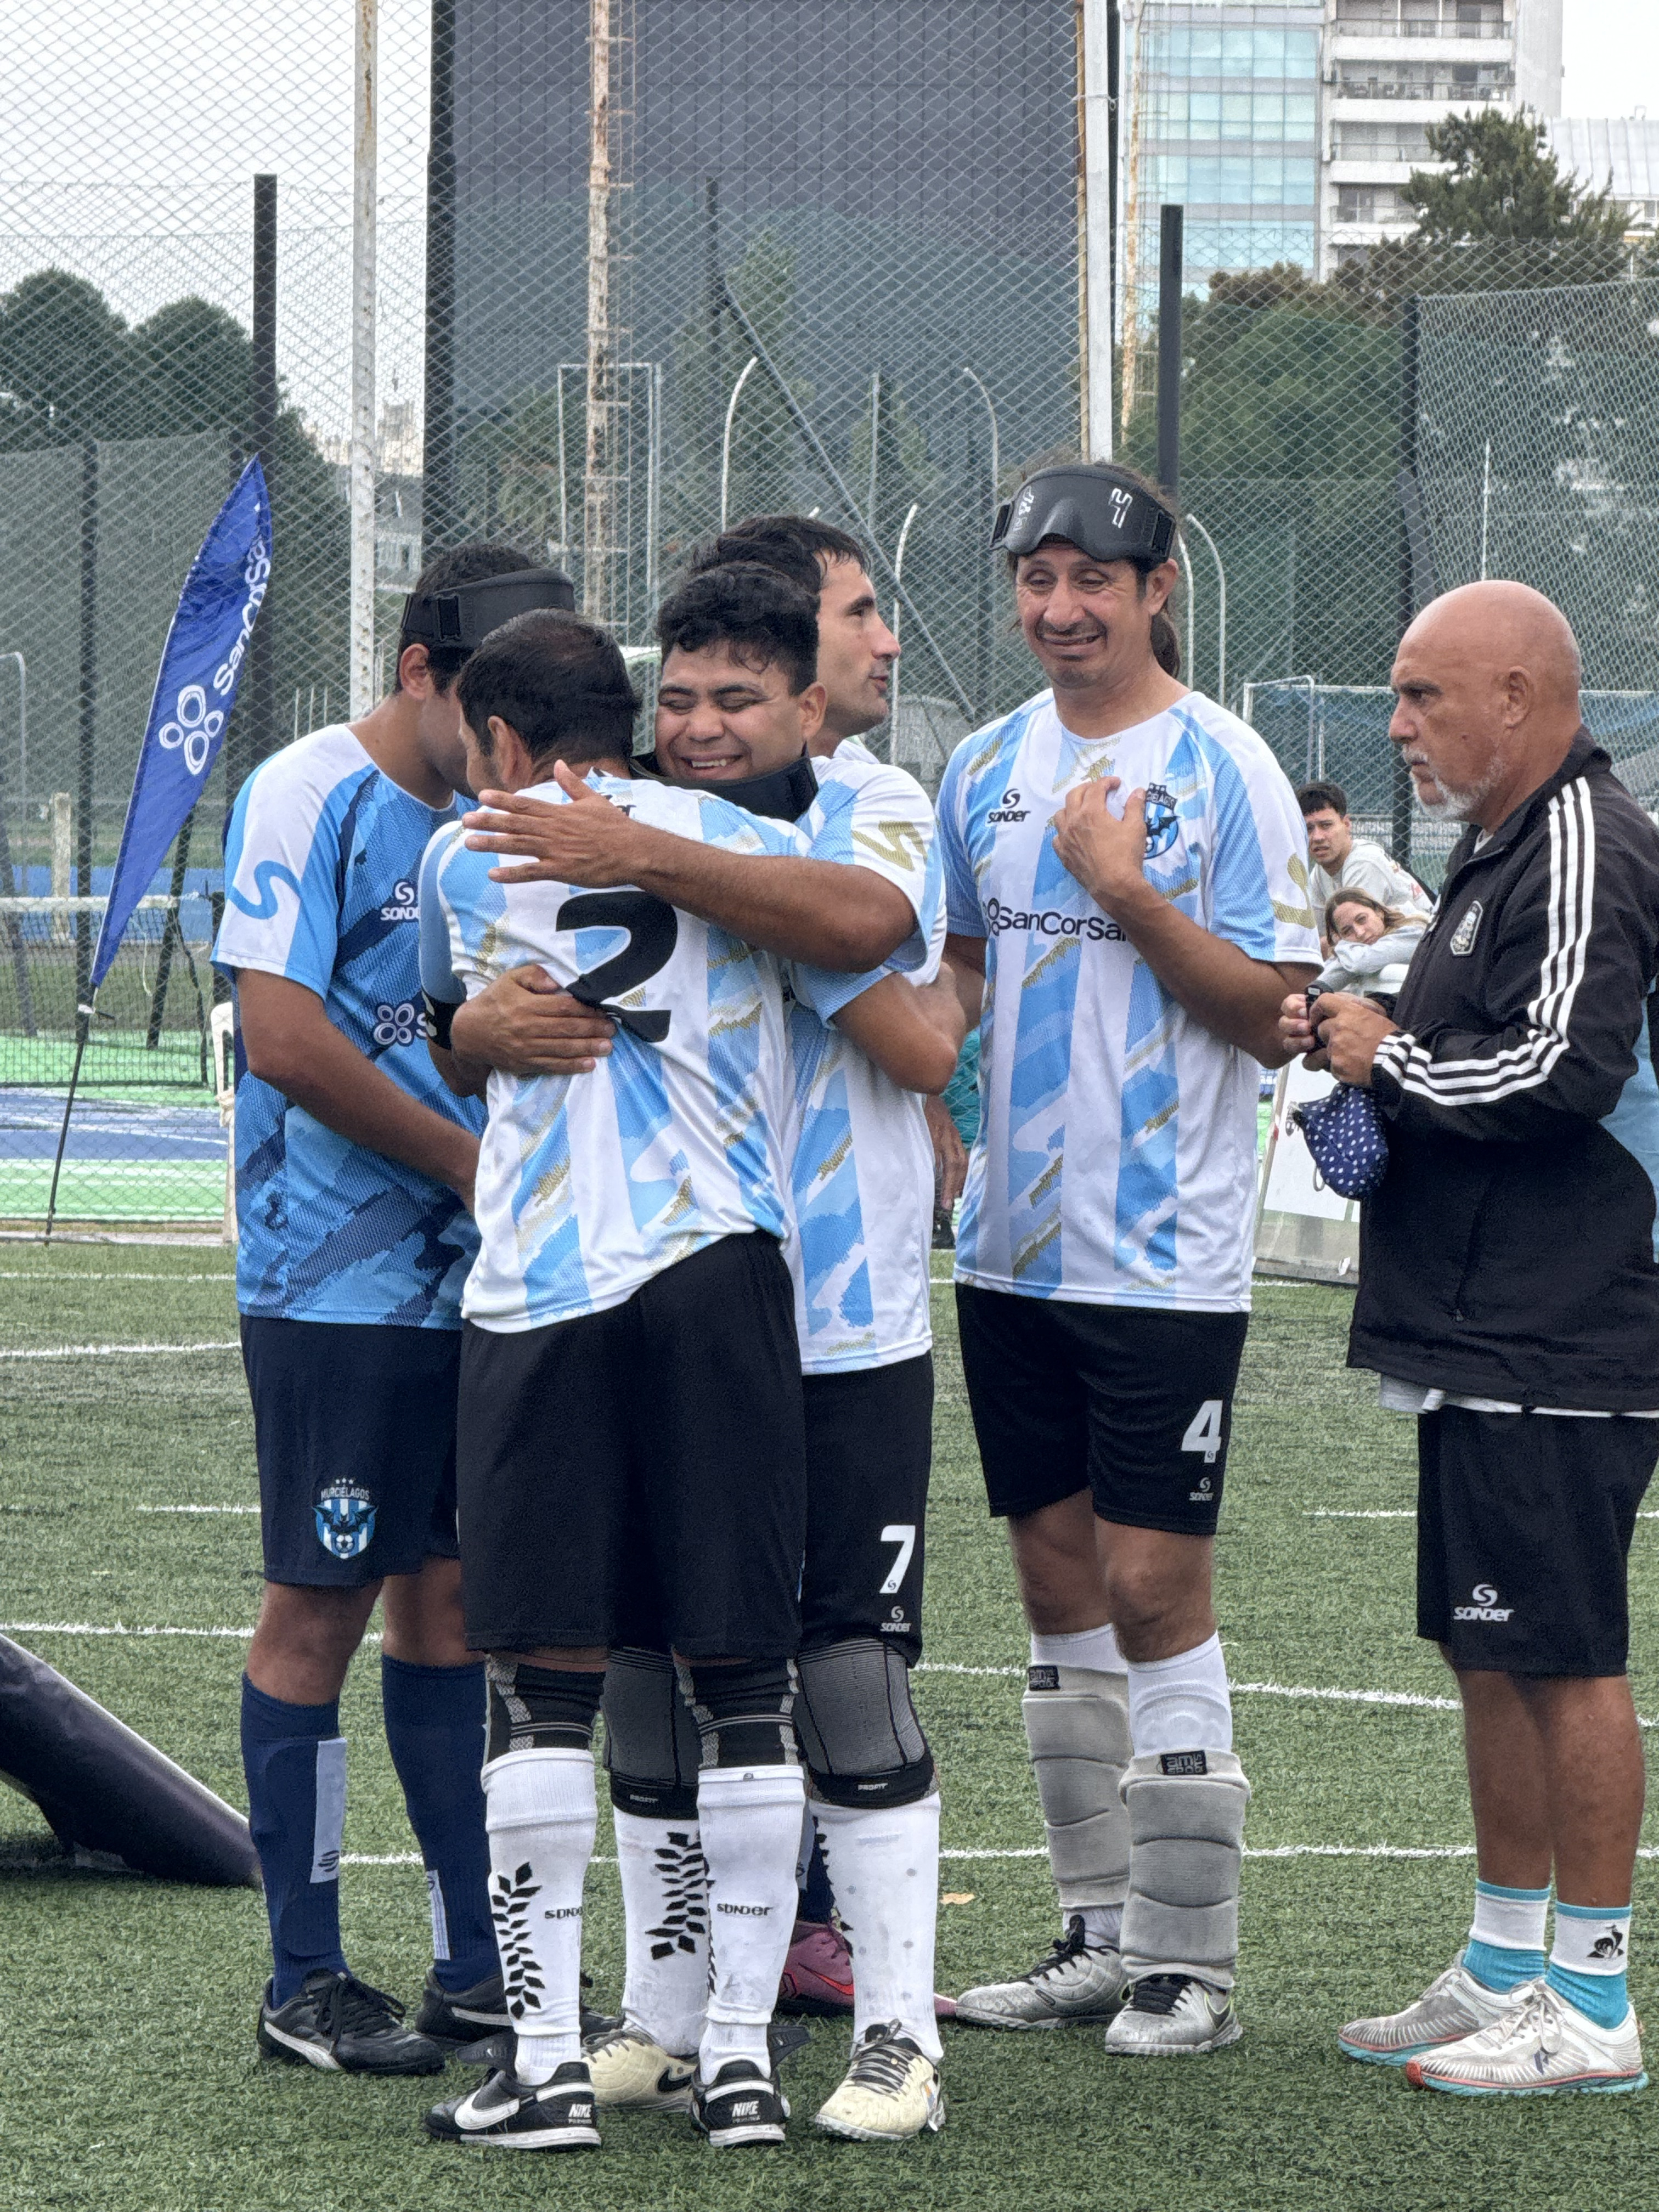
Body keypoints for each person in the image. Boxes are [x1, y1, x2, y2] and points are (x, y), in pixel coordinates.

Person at [444, 558, 963, 2140]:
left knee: (845, 1676)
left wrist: (652, 852)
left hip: (846, 1305)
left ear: (813, 702)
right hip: (692, 1296)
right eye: (676, 699)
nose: (701, 723)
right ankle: (675, 2021)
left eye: (739, 698)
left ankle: (895, 2033)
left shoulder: (871, 807)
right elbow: (471, 1005)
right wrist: (473, 1029)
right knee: (672, 1676)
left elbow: (904, 995)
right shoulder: (610, 827)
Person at [934, 461, 1319, 2055]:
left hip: (1161, 1259)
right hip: (1009, 1256)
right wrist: (922, 1110)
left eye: (1095, 579)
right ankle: (1095, 1933)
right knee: (1054, 1583)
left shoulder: (1228, 770)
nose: (1061, 609)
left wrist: (1129, 897)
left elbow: (1272, 1010)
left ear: (1160, 588)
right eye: (1037, 579)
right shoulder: (977, 767)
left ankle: (1192, 1963)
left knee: (1157, 1585)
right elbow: (955, 977)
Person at [1280, 580, 1659, 2099]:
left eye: (1423, 695)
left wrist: (1391, 1054)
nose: (1398, 726)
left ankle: (1594, 1997)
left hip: (1570, 1317)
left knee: (1563, 1655)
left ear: (1520, 693)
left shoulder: (1581, 842)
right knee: (1489, 1646)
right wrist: (1362, 1058)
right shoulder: (1500, 843)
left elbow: (1567, 1070)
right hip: (1485, 1317)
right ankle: (1507, 1960)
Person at [212, 547, 576, 2074]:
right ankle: (304, 1978)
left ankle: (471, 1966)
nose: (515, 748)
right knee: (320, 1606)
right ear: (421, 670)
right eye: (491, 708)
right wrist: (467, 1162)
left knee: (454, 1616)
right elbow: (287, 1037)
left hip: (478, 1288)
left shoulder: (517, 819)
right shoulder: (307, 792)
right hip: (334, 1286)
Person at [1298, 778, 1432, 935]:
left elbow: (1359, 937)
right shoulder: (1320, 873)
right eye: (1309, 829)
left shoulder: (1364, 862)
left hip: (1420, 943)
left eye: (1326, 825)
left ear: (1347, 825)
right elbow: (1316, 935)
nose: (1318, 837)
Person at [1313, 889, 1427, 998]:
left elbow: (1362, 962)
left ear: (1379, 912)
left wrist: (1341, 946)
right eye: (1347, 931)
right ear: (1339, 936)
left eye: (1362, 919)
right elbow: (1316, 988)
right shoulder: (1351, 956)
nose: (1360, 933)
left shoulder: (1414, 932)